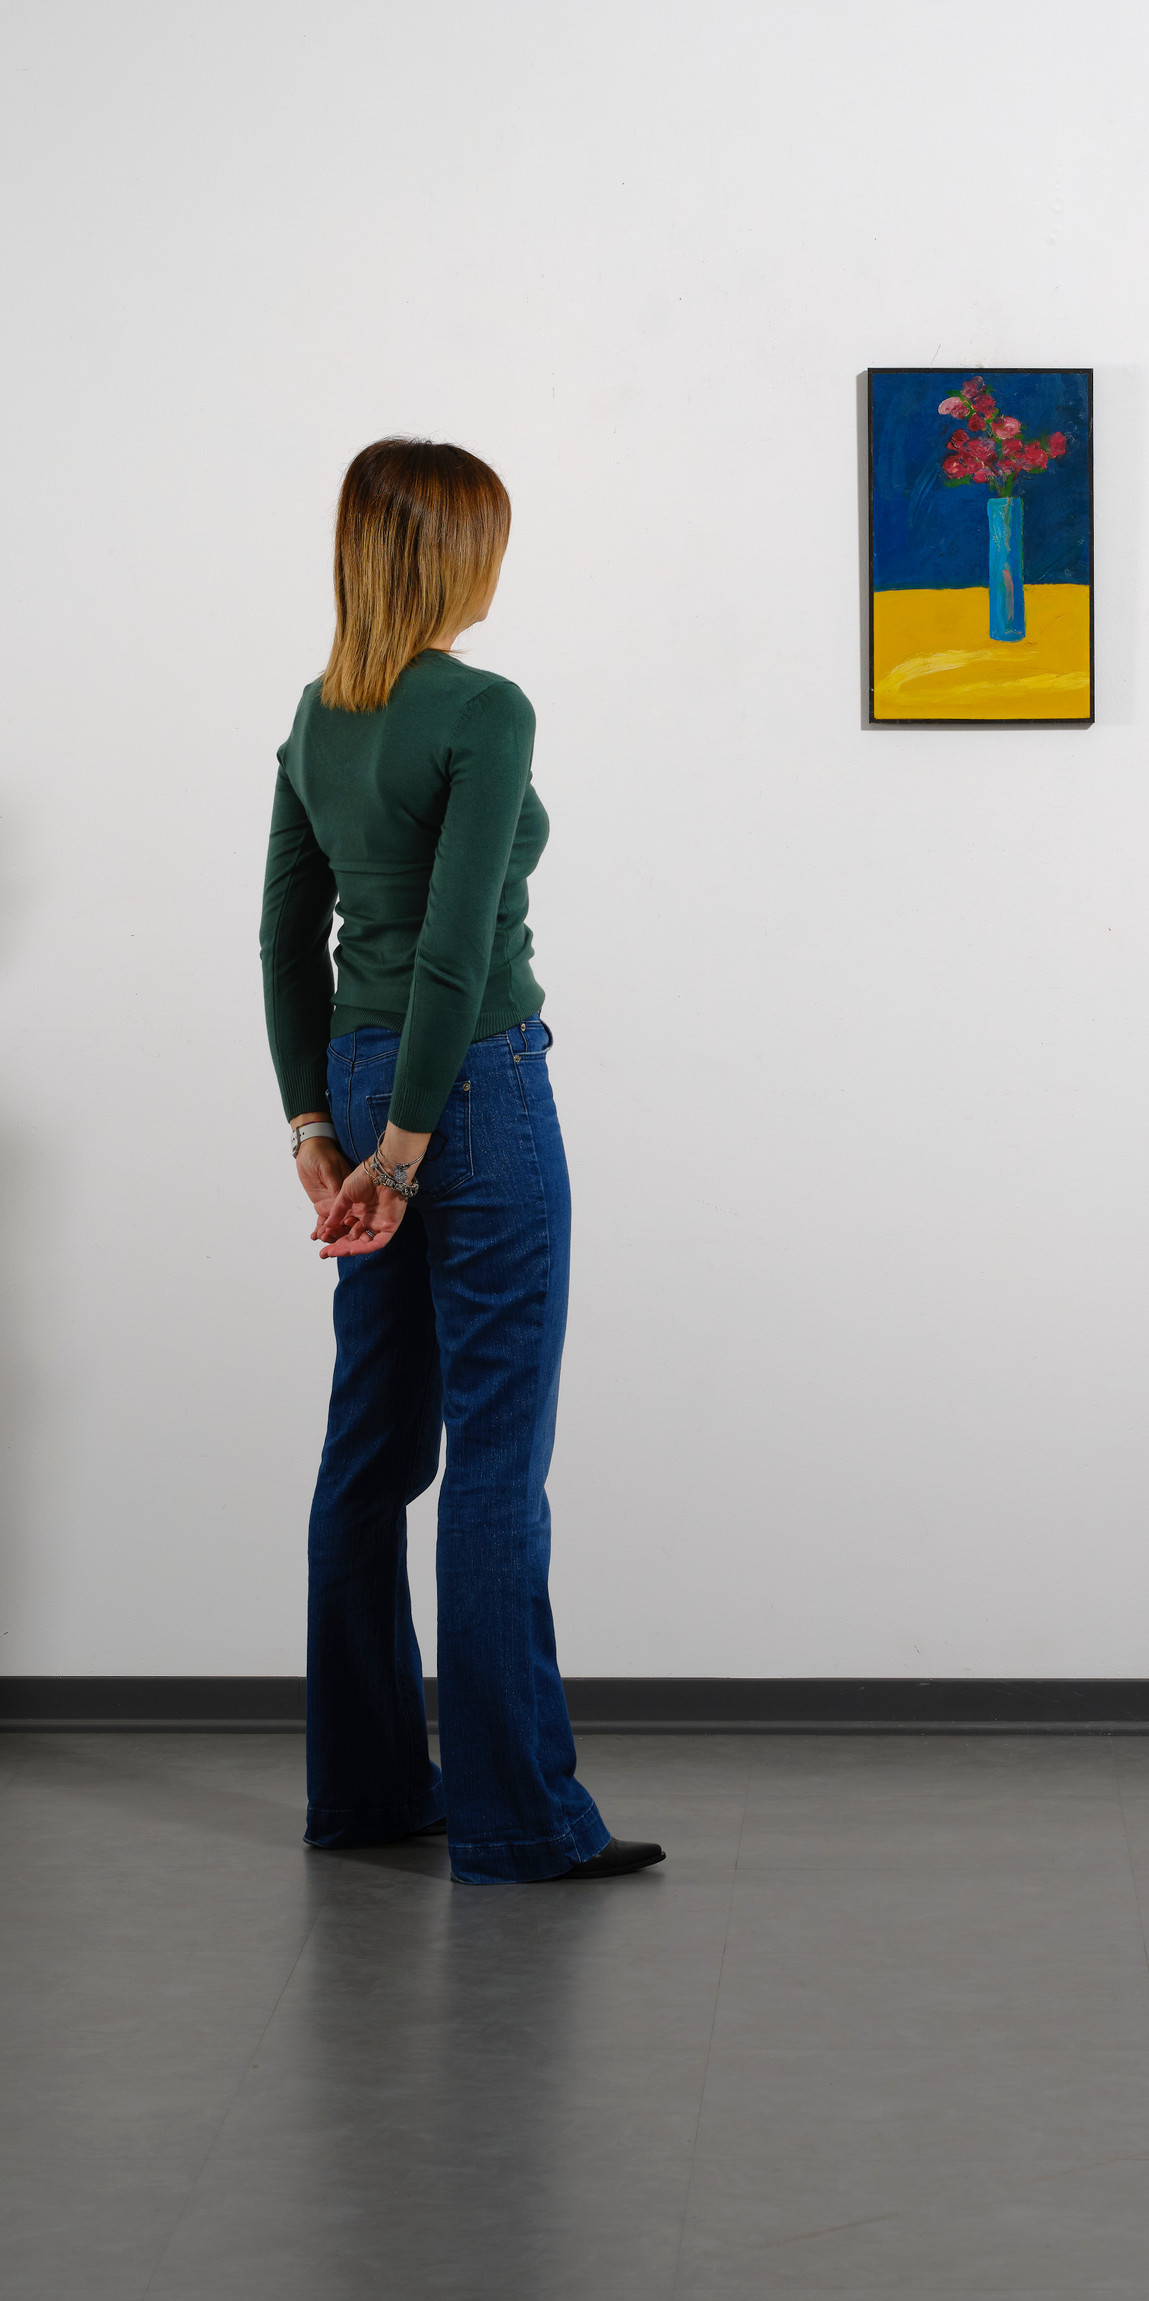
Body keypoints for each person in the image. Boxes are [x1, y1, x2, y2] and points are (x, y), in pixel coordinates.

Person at [259, 436, 661, 1884]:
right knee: (496, 1454)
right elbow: (456, 942)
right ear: (452, 554)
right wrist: (410, 1148)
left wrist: (321, 1129)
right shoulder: (486, 708)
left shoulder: (318, 714)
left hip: (362, 1077)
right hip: (471, 1086)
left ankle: (368, 1791)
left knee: (373, 1443)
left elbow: (285, 937)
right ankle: (516, 1819)